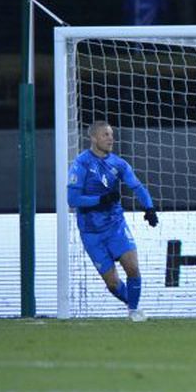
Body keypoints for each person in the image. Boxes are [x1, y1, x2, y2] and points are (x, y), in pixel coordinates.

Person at [66, 121, 159, 321]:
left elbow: (138, 187)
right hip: (91, 232)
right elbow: (72, 200)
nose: (110, 139)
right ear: (93, 138)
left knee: (132, 267)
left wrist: (149, 208)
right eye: (105, 135)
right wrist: (101, 200)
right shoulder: (81, 164)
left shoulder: (118, 164)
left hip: (115, 225)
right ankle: (132, 304)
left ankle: (133, 312)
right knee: (113, 284)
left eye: (111, 134)